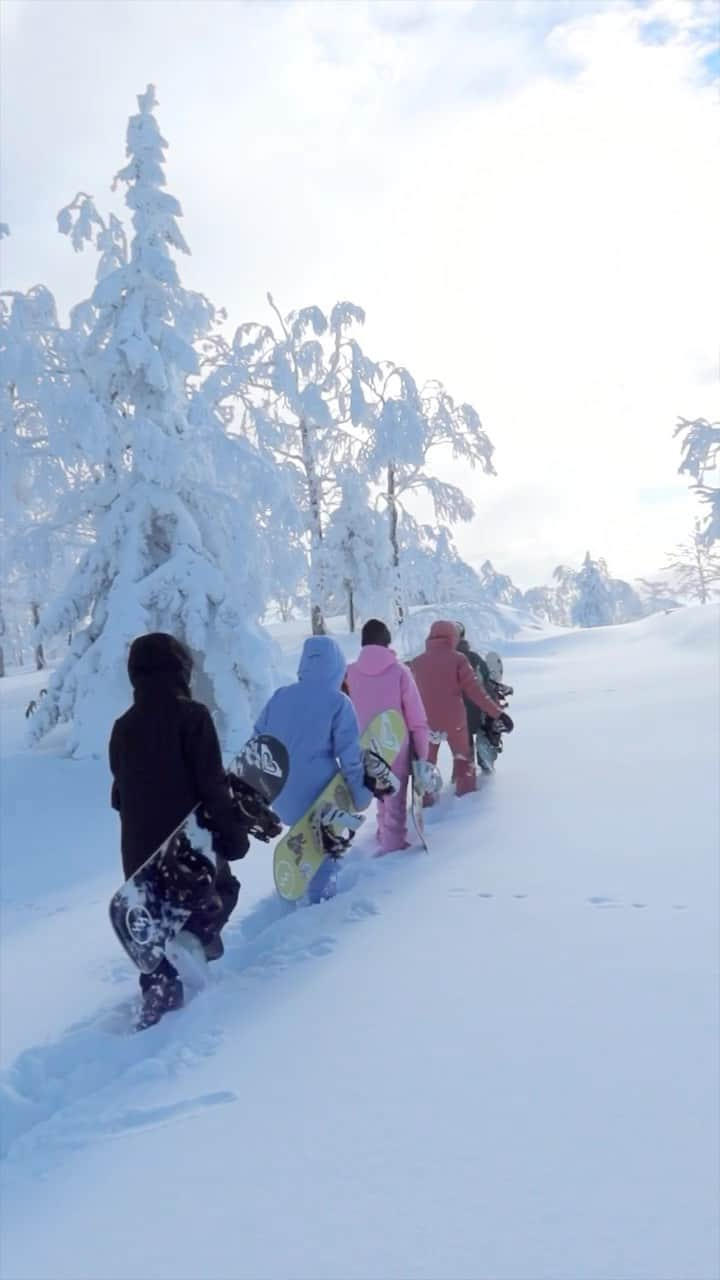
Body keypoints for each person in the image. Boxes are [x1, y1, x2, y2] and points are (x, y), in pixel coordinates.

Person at [109, 633, 250, 1029]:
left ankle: (159, 989)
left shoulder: (122, 727)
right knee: (222, 891)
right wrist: (234, 836)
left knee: (155, 919)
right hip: (188, 846)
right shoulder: (193, 717)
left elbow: (118, 794)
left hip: (138, 850)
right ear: (181, 670)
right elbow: (212, 786)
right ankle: (193, 942)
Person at [254, 635, 373, 901]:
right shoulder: (338, 702)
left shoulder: (279, 697)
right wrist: (360, 794)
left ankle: (299, 879)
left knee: (304, 837)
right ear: (336, 667)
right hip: (319, 796)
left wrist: (261, 794)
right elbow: (351, 755)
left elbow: (258, 743)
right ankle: (320, 902)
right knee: (326, 845)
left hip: (281, 794)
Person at [345, 618, 430, 854]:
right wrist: (422, 754)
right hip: (394, 744)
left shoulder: (349, 672)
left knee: (380, 792)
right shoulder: (400, 672)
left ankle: (383, 833)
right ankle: (392, 851)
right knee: (395, 800)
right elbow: (416, 717)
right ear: (387, 642)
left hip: (363, 746)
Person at [409, 620, 508, 797]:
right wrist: (498, 714)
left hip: (427, 722)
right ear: (452, 637)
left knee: (428, 762)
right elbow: (476, 692)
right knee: (463, 758)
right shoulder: (458, 659)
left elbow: (409, 696)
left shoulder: (417, 663)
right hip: (455, 721)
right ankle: (465, 795)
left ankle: (425, 798)